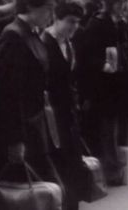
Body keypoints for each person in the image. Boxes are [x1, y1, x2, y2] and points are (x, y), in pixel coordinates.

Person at [0, 0, 61, 187]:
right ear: (32, 6)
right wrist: (16, 139)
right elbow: (9, 92)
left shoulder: (30, 33)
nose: (51, 15)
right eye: (48, 9)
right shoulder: (13, 35)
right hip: (25, 127)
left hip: (37, 124)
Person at [81, 0, 128, 185]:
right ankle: (112, 171)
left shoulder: (121, 22)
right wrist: (101, 65)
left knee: (123, 126)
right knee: (108, 128)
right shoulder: (96, 23)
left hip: (122, 81)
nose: (122, 6)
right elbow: (86, 55)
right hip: (106, 85)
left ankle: (123, 167)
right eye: (119, 3)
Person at [41, 2, 85, 210]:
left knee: (72, 163)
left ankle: (72, 204)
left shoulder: (68, 43)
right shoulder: (43, 42)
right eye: (70, 22)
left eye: (77, 23)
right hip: (52, 115)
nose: (74, 27)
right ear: (56, 19)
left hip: (68, 113)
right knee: (59, 163)